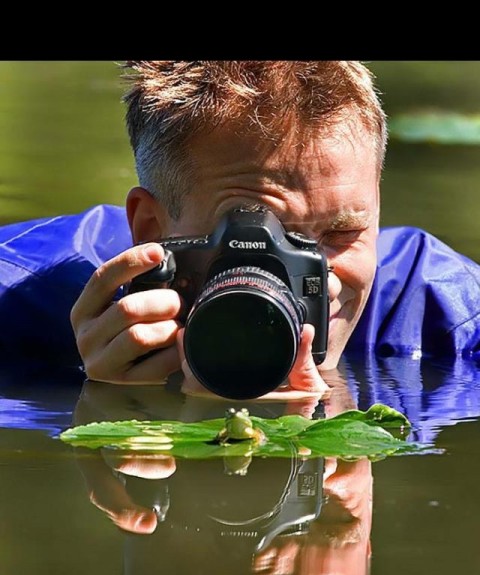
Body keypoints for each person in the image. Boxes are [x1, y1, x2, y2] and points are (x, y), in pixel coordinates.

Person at [0, 61, 479, 406]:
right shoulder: (17, 301)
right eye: (261, 236)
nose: (324, 279)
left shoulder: (451, 323)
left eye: (343, 231)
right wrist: (107, 403)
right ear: (152, 228)